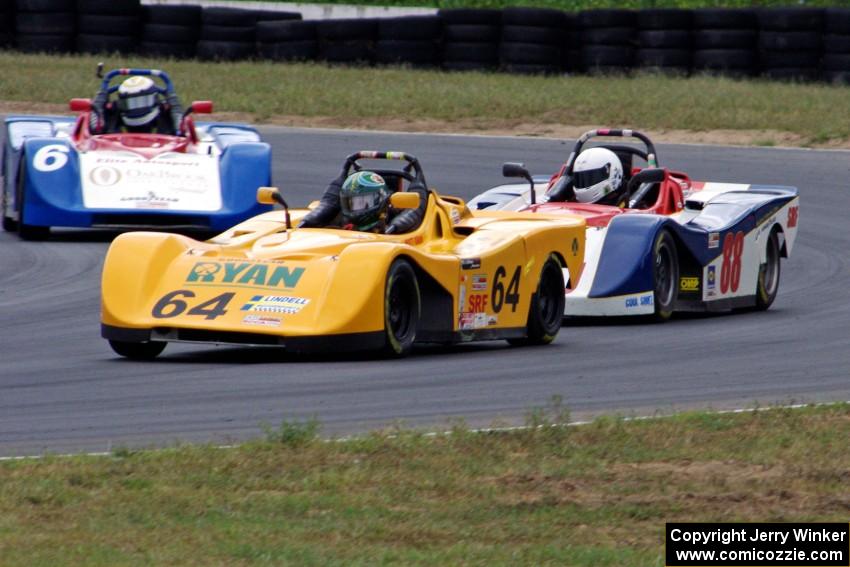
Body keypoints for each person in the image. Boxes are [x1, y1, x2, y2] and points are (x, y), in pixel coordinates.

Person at [298, 169, 427, 234]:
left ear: (380, 200)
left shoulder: (394, 222)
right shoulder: (339, 221)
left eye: (362, 202)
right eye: (351, 203)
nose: (356, 208)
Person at [89, 76, 183, 135]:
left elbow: (184, 135)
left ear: (154, 100)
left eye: (142, 102)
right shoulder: (111, 115)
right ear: (122, 103)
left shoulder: (167, 115)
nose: (137, 108)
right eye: (131, 103)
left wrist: (180, 130)